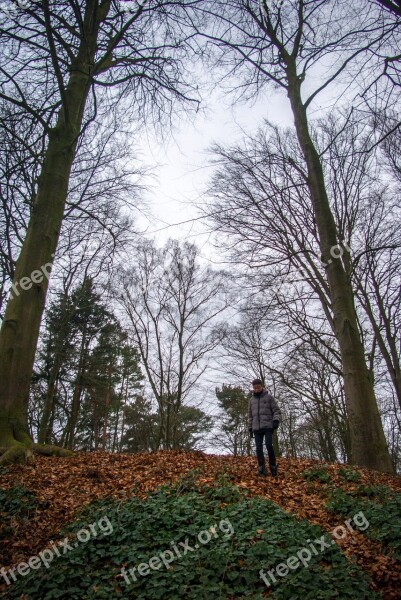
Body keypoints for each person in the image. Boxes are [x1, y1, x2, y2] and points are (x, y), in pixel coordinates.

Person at [248, 378, 281, 477]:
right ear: (253, 388)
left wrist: (275, 420)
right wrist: (250, 428)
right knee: (258, 448)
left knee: (268, 445)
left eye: (258, 387)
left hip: (267, 426)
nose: (256, 389)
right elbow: (250, 416)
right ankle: (261, 468)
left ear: (261, 386)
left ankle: (273, 467)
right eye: (255, 388)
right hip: (256, 428)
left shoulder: (269, 397)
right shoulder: (251, 400)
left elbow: (276, 410)